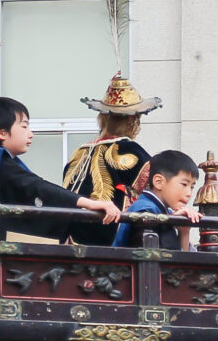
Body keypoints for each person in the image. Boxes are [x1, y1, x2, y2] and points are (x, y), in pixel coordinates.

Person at [0, 97, 120, 231]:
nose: (30, 134)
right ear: (2, 133)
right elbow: (37, 186)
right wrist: (89, 203)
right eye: (24, 126)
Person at [61, 74, 156, 243]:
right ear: (132, 120)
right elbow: (155, 193)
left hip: (70, 239)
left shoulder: (79, 152)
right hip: (110, 241)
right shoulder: (132, 150)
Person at [112, 150, 202, 250]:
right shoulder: (146, 210)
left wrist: (184, 231)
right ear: (159, 182)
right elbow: (169, 260)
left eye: (192, 187)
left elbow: (180, 263)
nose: (189, 193)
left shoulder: (166, 211)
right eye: (184, 184)